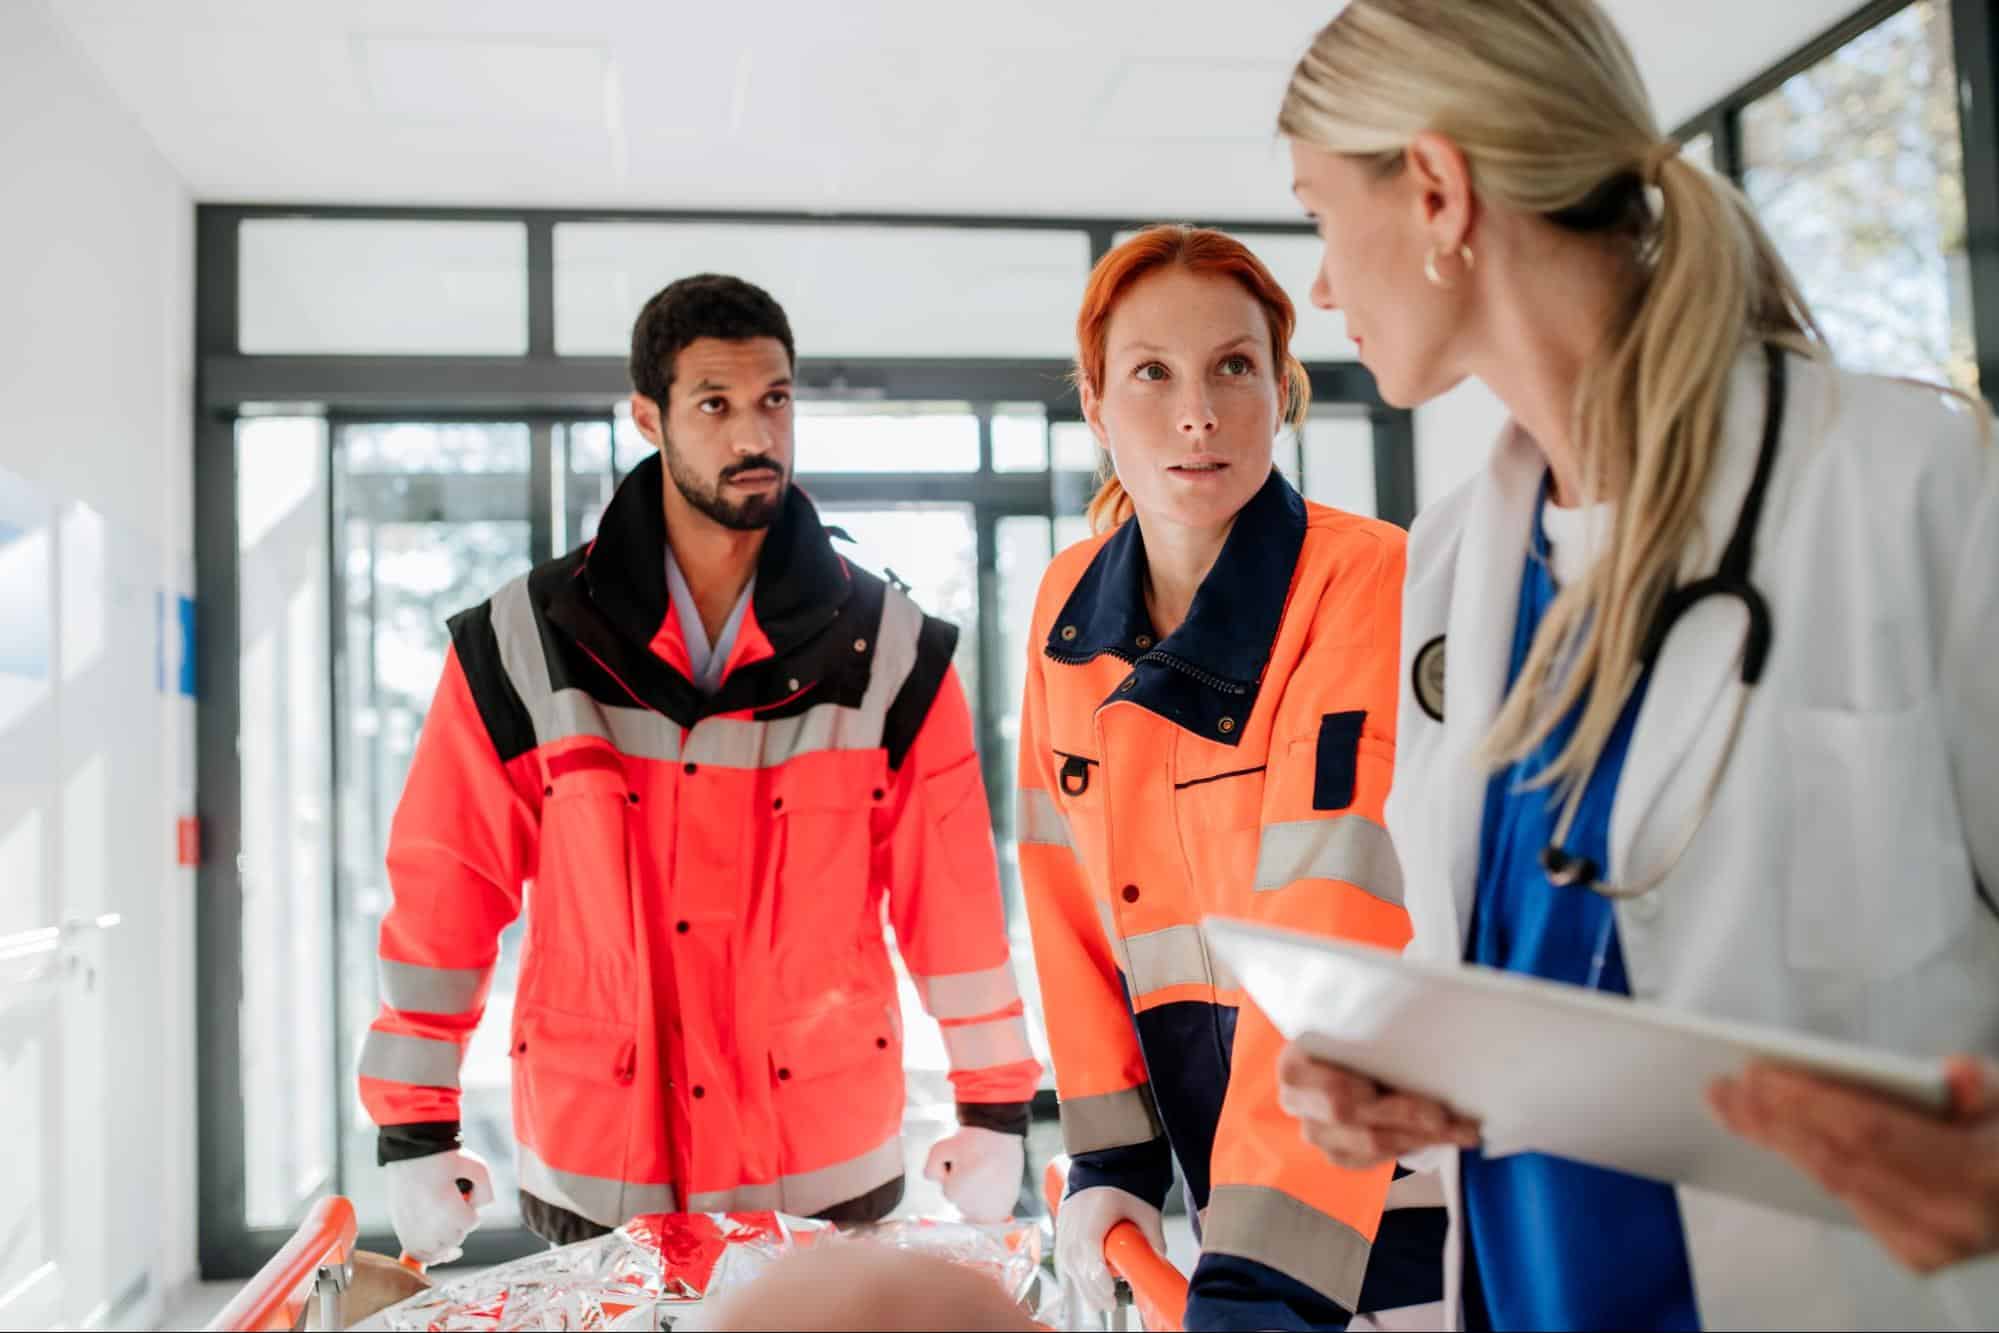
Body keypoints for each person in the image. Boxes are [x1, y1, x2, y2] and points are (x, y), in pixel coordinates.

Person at [1269, 2, 1999, 1329]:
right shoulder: (1449, 566)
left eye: (1318, 216)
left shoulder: (1914, 490)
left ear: (1433, 192)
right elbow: (1529, 983)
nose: (1320, 287)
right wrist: (1396, 1079)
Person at [356, 274, 1041, 1260]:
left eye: (774, 399)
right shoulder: (526, 641)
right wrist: (415, 1126)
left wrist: (995, 1106)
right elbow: (445, 892)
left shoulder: (889, 651)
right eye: (715, 404)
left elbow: (956, 907)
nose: (754, 434)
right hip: (604, 1160)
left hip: (819, 1164)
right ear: (649, 416)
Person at [1016, 225, 1445, 1331]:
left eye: (1233, 367)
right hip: (1222, 1201)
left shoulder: (1370, 580)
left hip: (1381, 1194)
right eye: (1151, 373)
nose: (1197, 413)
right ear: (1095, 403)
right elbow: (1066, 900)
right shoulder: (1069, 607)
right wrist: (1111, 1156)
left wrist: (1259, 1282)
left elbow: (1334, 923)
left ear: (1280, 390)